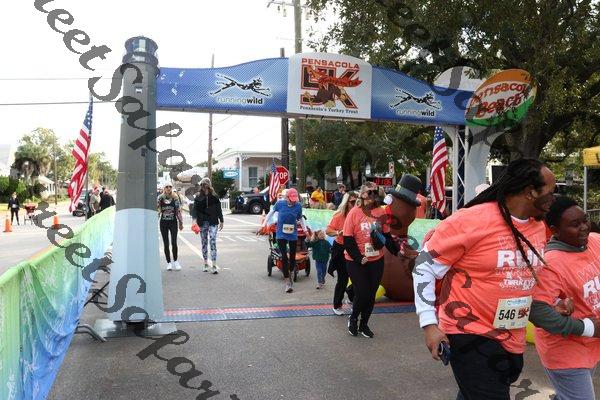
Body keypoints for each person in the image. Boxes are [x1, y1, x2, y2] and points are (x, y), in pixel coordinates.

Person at [413, 158, 556, 400]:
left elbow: (528, 276)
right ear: (530, 192)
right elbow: (423, 267)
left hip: (512, 335)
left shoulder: (537, 227)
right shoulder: (470, 220)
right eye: (551, 192)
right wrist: (429, 324)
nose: (554, 199)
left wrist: (554, 304)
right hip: (470, 332)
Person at [529, 196, 600, 400]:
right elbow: (536, 310)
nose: (584, 227)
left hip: (591, 345)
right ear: (555, 230)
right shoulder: (550, 264)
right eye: (575, 225)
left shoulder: (595, 241)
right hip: (565, 351)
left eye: (585, 220)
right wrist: (587, 327)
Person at [343, 182, 400, 338]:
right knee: (362, 292)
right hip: (355, 260)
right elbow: (348, 239)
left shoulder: (381, 212)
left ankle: (364, 324)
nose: (371, 195)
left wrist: (396, 250)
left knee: (371, 294)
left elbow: (386, 235)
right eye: (368, 192)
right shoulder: (354, 213)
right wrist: (359, 257)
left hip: (376, 259)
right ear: (362, 194)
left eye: (374, 192)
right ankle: (353, 318)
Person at [263, 188, 309, 293]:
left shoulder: (298, 206)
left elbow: (301, 218)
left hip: (292, 233)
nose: (293, 202)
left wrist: (305, 231)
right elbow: (271, 213)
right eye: (291, 200)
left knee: (292, 256)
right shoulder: (280, 204)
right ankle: (287, 282)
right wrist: (264, 224)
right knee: (284, 256)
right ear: (287, 197)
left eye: (294, 200)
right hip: (281, 233)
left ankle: (291, 272)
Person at [326, 191, 358, 315]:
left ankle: (351, 297)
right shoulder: (339, 216)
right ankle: (337, 305)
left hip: (355, 248)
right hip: (341, 248)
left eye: (358, 202)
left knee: (357, 277)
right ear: (346, 203)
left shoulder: (360, 215)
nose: (356, 204)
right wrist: (337, 232)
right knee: (343, 279)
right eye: (353, 202)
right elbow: (328, 230)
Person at [194, 177, 224, 274]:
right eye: (202, 185)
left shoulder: (214, 196)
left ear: (209, 185)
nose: (203, 186)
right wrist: (194, 222)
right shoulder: (198, 197)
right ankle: (206, 264)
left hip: (213, 222)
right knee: (204, 242)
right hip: (202, 222)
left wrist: (221, 220)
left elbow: (219, 209)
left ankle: (214, 265)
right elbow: (195, 211)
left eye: (205, 184)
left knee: (212, 241)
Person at [157, 182, 184, 271]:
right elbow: (157, 210)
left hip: (173, 222)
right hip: (163, 223)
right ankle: (168, 262)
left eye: (170, 187)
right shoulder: (160, 198)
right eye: (167, 187)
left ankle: (175, 261)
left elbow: (178, 211)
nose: (168, 188)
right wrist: (154, 222)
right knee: (166, 244)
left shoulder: (175, 197)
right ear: (164, 188)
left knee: (174, 242)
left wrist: (181, 222)